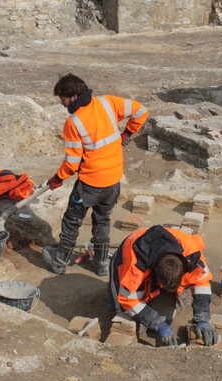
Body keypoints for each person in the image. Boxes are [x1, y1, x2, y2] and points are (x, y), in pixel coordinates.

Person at [42, 73, 148, 276]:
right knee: (103, 220)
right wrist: (126, 133)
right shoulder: (107, 102)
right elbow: (141, 111)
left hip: (90, 184)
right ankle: (100, 264)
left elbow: (72, 163)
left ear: (73, 96)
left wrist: (57, 179)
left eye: (63, 100)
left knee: (72, 221)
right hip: (113, 181)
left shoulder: (73, 122)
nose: (63, 105)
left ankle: (59, 262)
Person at [107, 225, 219, 347]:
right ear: (154, 272)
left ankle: (150, 307)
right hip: (127, 253)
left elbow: (202, 282)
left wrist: (202, 318)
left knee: (166, 318)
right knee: (123, 311)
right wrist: (156, 322)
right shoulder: (135, 267)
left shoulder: (191, 252)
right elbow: (127, 299)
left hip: (159, 254)